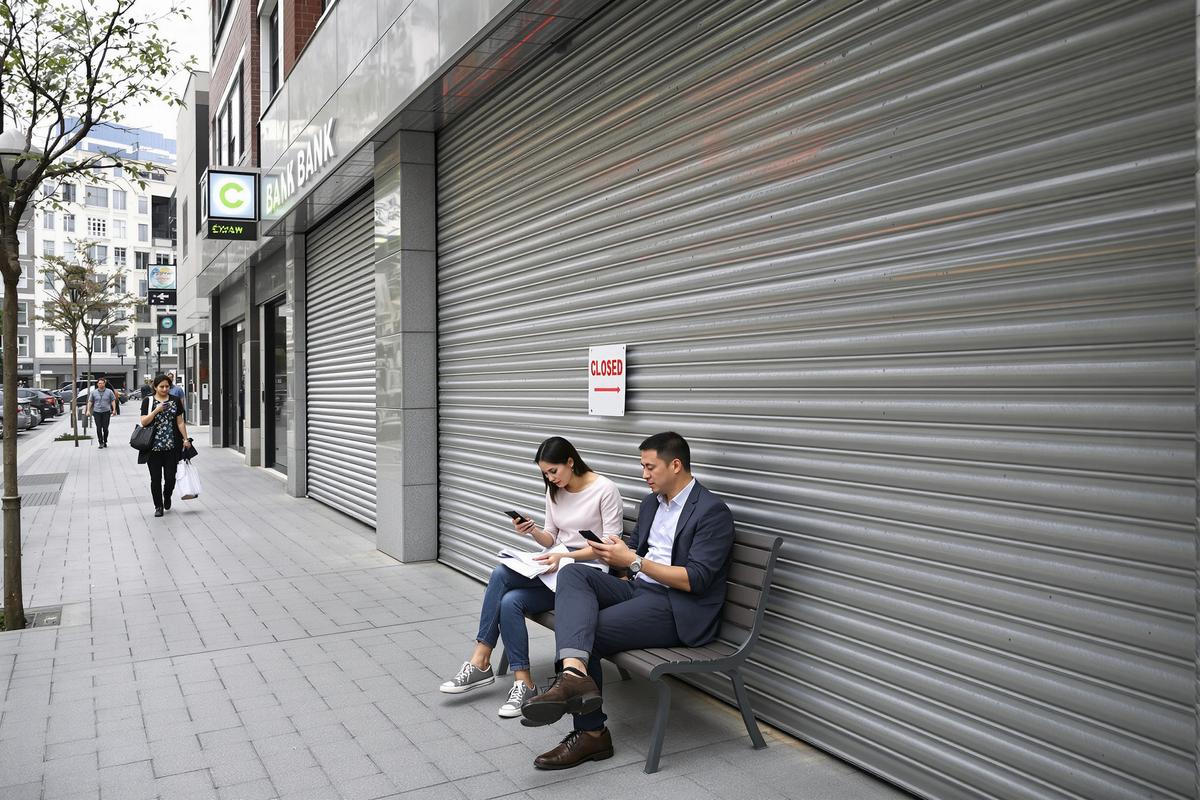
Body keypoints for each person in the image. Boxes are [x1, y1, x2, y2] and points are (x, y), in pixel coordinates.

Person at [520, 431, 735, 770]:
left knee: (587, 631)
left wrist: (633, 561)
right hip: (640, 589)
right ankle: (574, 674)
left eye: (650, 467)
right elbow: (635, 552)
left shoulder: (711, 511)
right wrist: (617, 555)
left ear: (675, 465)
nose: (644, 474)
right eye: (642, 466)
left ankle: (592, 734)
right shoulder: (651, 503)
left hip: (679, 606)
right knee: (573, 573)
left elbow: (696, 580)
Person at [439, 436, 623, 719]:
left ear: (570, 462)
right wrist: (533, 531)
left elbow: (611, 548)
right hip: (557, 567)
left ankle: (481, 660)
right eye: (545, 473)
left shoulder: (604, 489)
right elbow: (551, 538)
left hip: (588, 575)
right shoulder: (555, 491)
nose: (550, 478)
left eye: (553, 471)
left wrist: (566, 557)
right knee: (510, 600)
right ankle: (523, 683)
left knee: (500, 575)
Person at [138, 373, 191, 518]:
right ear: (155, 387)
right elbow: (144, 421)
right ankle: (158, 506)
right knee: (155, 479)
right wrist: (156, 410)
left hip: (171, 446)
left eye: (167, 386)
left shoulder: (175, 400)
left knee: (170, 478)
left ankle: (167, 495)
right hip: (153, 447)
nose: (165, 389)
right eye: (161, 386)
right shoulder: (148, 401)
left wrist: (185, 439)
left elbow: (180, 421)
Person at [85, 377, 118, 448]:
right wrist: (88, 410)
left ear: (104, 384)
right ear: (97, 384)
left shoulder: (109, 392)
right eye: (99, 383)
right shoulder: (93, 392)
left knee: (105, 428)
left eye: (102, 383)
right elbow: (90, 401)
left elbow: (113, 401)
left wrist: (114, 410)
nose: (101, 384)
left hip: (106, 412)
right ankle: (100, 442)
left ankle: (105, 440)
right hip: (97, 412)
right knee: (98, 427)